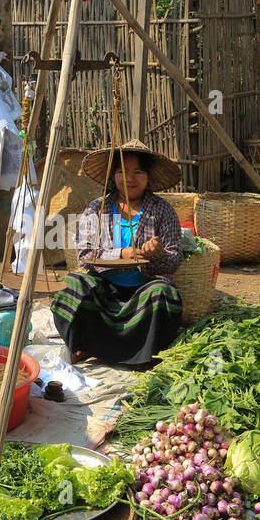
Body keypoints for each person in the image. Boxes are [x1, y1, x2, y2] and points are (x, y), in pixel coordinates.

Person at [52, 140, 185, 365]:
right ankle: (84, 344)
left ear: (148, 176)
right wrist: (124, 253)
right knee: (70, 287)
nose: (129, 178)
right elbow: (85, 254)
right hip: (104, 289)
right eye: (122, 172)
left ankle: (139, 355)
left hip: (143, 289)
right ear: (114, 175)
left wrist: (157, 253)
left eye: (138, 172)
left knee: (165, 296)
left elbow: (174, 261)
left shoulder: (162, 210)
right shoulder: (97, 208)